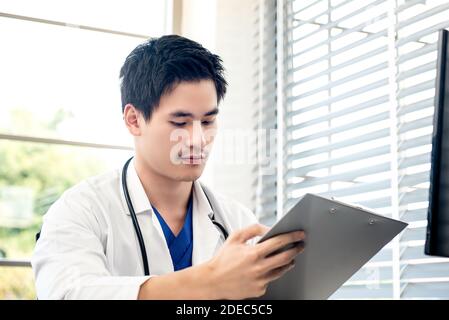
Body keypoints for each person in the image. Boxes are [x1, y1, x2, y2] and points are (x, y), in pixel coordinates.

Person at [31, 35, 305, 300]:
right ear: (134, 120)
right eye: (179, 122)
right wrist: (210, 282)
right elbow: (68, 294)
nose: (199, 140)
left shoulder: (236, 219)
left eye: (207, 122)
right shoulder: (81, 210)